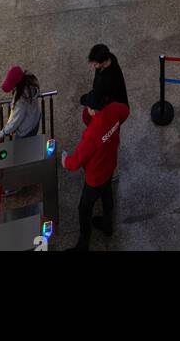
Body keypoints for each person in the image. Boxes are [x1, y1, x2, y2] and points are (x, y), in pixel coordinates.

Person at [62, 88, 130, 250]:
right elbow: (125, 112)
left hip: (94, 177)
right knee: (107, 193)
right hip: (110, 165)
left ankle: (83, 244)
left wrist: (65, 160)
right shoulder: (114, 109)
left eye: (87, 107)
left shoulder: (92, 133)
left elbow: (75, 163)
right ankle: (107, 224)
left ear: (92, 110)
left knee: (84, 209)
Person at [0, 66, 42, 141]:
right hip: (35, 119)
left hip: (25, 131)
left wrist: (1, 134)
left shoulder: (21, 101)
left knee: (20, 149)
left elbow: (15, 122)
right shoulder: (30, 82)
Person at [81, 44, 128, 112]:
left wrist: (87, 101)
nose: (93, 66)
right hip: (117, 95)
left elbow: (95, 98)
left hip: (112, 101)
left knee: (85, 100)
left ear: (104, 62)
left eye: (95, 64)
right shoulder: (110, 57)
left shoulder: (106, 80)